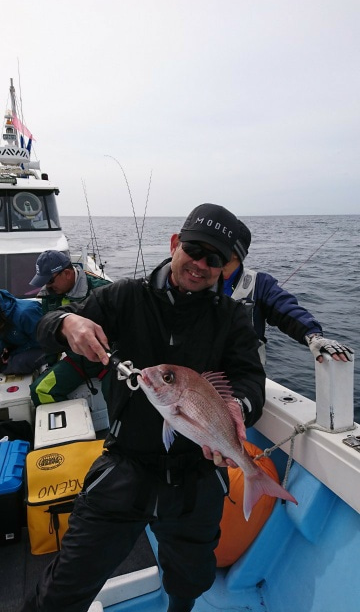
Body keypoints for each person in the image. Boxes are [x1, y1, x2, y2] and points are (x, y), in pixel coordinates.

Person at [21, 203, 266, 612]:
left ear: (224, 269)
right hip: (125, 463)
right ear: (175, 244)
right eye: (195, 249)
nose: (201, 264)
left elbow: (249, 379)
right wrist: (66, 323)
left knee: (190, 580)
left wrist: (239, 406)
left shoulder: (233, 318)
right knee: (65, 584)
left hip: (196, 472)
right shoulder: (123, 297)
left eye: (215, 259)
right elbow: (46, 327)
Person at [222, 219, 353, 365]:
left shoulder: (260, 283)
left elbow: (286, 308)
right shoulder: (198, 278)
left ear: (237, 253)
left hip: (244, 373)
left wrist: (313, 335)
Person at [29, 250, 111, 407]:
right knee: (39, 390)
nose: (48, 286)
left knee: (119, 396)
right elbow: (50, 336)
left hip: (109, 360)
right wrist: (51, 364)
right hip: (77, 361)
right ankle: (77, 427)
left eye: (50, 281)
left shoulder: (103, 290)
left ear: (66, 273)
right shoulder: (49, 295)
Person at [0, 289, 46, 375]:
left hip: (44, 346)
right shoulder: (3, 320)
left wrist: (13, 352)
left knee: (19, 362)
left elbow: (42, 341)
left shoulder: (25, 313)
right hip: (19, 343)